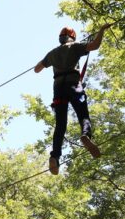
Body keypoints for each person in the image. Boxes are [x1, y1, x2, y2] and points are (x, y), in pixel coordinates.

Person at [34, 24, 110, 175]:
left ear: (60, 39)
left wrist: (47, 62)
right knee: (83, 114)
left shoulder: (52, 53)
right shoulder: (75, 47)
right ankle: (85, 135)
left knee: (60, 124)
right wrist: (101, 31)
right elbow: (95, 45)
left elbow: (37, 69)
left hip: (58, 89)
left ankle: (55, 156)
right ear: (72, 37)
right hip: (73, 85)